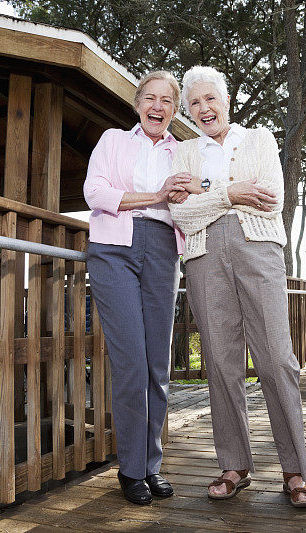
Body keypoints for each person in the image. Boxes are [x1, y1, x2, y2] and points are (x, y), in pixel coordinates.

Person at [168, 65, 306, 508]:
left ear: (226, 100)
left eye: (209, 99)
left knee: (276, 358)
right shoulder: (184, 151)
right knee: (220, 359)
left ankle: (296, 470)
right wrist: (232, 193)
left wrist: (208, 192)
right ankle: (234, 464)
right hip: (202, 257)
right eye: (193, 103)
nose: (202, 108)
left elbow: (271, 195)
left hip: (258, 249)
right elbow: (181, 215)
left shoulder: (259, 139)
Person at [84, 70, 189, 505]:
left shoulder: (183, 154)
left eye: (167, 100)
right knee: (130, 361)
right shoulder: (113, 141)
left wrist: (186, 196)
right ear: (137, 103)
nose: (158, 106)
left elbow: (196, 199)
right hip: (114, 250)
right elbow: (95, 192)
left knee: (157, 366)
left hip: (164, 249)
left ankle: (151, 465)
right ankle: (130, 470)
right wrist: (155, 196)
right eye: (151, 98)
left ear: (174, 110)